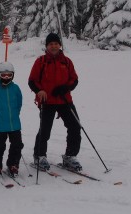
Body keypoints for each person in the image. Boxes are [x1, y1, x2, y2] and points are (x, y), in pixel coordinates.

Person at [28, 33, 82, 171]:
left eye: (56, 44)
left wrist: (66, 87)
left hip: (65, 100)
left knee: (75, 127)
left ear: (60, 45)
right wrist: (39, 91)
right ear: (47, 46)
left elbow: (74, 80)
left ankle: (70, 156)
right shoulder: (41, 61)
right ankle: (39, 156)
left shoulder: (67, 61)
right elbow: (32, 81)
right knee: (45, 130)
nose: (53, 46)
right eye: (51, 44)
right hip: (47, 101)